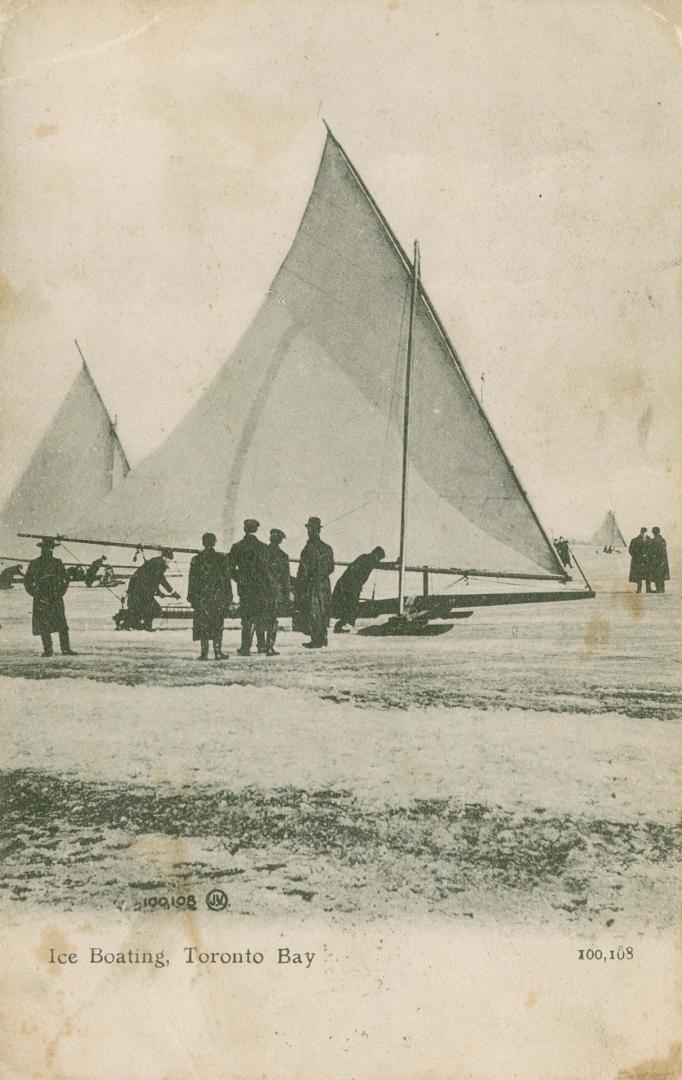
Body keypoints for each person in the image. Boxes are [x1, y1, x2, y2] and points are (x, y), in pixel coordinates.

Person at [23, 539, 76, 656]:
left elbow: (65, 579)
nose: (49, 549)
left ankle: (66, 649)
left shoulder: (58, 562)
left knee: (62, 624)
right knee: (43, 625)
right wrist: (35, 594)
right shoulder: (34, 563)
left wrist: (61, 592)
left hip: (55, 597)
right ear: (42, 548)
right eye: (47, 547)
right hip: (41, 598)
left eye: (51, 547)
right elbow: (27, 581)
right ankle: (48, 650)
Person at [187, 533, 233, 660]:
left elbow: (192, 580)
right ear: (214, 543)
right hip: (218, 597)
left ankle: (204, 653)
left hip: (201, 597)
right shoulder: (222, 558)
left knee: (203, 624)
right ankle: (218, 652)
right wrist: (229, 597)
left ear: (203, 543)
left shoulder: (196, 559)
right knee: (218, 623)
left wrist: (191, 597)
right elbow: (227, 580)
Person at [229, 519, 269, 656]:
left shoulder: (237, 547)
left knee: (247, 617)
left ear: (244, 529)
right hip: (261, 587)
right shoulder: (263, 547)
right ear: (256, 529)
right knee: (260, 615)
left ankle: (245, 647)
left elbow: (230, 568)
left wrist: (240, 579)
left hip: (245, 588)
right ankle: (262, 646)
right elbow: (267, 570)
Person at [295, 516, 334, 649]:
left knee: (313, 611)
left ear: (311, 530)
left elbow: (303, 570)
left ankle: (316, 640)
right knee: (323, 610)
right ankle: (323, 638)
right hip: (324, 583)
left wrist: (301, 585)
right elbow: (331, 567)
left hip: (312, 584)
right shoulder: (327, 548)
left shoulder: (308, 549)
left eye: (309, 529)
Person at [331, 546, 385, 632]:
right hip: (350, 586)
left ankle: (343, 626)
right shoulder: (369, 560)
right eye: (379, 558)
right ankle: (347, 626)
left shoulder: (366, 558)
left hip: (347, 584)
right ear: (376, 554)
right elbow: (379, 565)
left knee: (348, 607)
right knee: (352, 607)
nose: (378, 560)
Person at [126, 548, 179, 630]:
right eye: (168, 558)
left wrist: (160, 591)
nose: (169, 561)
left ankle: (139, 624)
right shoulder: (159, 564)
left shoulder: (156, 562)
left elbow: (155, 579)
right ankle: (145, 626)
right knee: (153, 608)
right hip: (140, 588)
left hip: (137, 586)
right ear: (164, 557)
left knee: (141, 607)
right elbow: (159, 579)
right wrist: (171, 592)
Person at [263, 528, 291, 656]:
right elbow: (286, 579)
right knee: (272, 619)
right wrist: (286, 595)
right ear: (280, 541)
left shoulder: (261, 552)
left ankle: (260, 645)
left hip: (261, 590)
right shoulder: (283, 556)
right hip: (276, 592)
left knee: (259, 618)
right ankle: (269, 646)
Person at [628, 527, 652, 593]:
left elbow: (652, 550)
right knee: (639, 575)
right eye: (642, 532)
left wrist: (648, 556)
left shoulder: (650, 540)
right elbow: (631, 550)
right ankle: (639, 589)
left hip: (647, 561)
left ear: (646, 532)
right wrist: (638, 556)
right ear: (640, 532)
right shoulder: (635, 540)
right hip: (638, 561)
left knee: (648, 575)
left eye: (644, 532)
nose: (643, 533)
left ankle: (648, 589)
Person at [649, 527, 670, 594]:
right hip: (659, 560)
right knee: (658, 575)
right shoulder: (662, 540)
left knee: (659, 574)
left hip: (659, 560)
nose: (654, 534)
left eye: (654, 533)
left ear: (654, 533)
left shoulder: (658, 540)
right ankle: (660, 589)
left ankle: (660, 589)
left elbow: (661, 551)